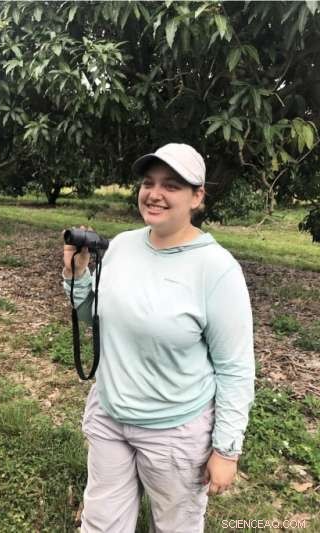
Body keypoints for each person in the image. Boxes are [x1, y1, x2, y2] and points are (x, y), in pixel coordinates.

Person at [62, 143, 255, 532]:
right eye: (148, 183)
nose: (154, 194)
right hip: (110, 414)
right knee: (101, 522)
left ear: (197, 196)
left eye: (171, 185)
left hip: (175, 430)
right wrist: (77, 275)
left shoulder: (217, 269)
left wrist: (226, 449)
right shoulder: (122, 246)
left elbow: (235, 368)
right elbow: (95, 318)